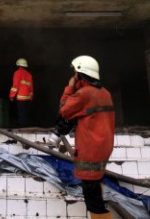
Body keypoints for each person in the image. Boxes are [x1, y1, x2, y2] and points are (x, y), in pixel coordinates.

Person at [53, 56, 115, 219]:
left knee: (92, 197)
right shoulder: (104, 93)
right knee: (95, 187)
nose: (74, 76)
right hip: (103, 146)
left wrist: (69, 87)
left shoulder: (84, 94)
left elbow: (64, 110)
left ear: (81, 74)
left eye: (75, 73)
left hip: (90, 149)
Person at [9, 58, 34, 127]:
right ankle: (26, 127)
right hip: (28, 98)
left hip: (20, 98)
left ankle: (22, 128)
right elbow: (31, 88)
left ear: (18, 65)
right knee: (26, 114)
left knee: (21, 114)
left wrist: (11, 95)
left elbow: (15, 85)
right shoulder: (29, 75)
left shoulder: (17, 73)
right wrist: (31, 97)